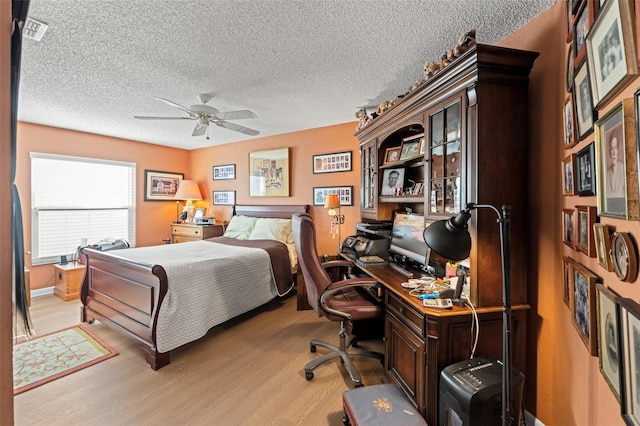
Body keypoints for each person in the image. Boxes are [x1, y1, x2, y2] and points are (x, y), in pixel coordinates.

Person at [606, 131, 625, 199]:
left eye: (615, 147)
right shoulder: (607, 174)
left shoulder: (623, 170)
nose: (613, 152)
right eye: (611, 148)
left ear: (618, 150)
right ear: (609, 151)